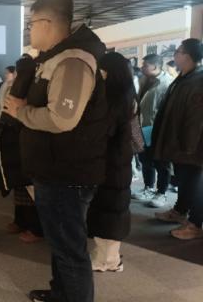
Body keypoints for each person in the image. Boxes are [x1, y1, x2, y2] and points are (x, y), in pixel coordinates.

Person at [3, 0, 109, 302]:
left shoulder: (73, 61)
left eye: (31, 24)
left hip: (67, 174)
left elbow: (62, 119)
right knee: (60, 242)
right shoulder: (54, 59)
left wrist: (21, 112)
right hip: (55, 169)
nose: (29, 30)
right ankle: (61, 293)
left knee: (70, 248)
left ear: (47, 23)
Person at [150, 38, 203, 239]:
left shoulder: (199, 80)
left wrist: (188, 146)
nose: (175, 55)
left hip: (191, 145)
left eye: (178, 52)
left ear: (188, 56)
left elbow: (196, 118)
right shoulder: (184, 78)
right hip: (180, 142)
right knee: (184, 180)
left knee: (194, 183)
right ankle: (180, 212)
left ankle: (195, 224)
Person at [87, 51, 135, 272]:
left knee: (109, 211)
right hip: (118, 161)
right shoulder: (127, 94)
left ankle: (109, 260)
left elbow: (103, 132)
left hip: (111, 161)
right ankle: (107, 256)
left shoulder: (113, 98)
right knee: (110, 209)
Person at [0, 54, 43, 242]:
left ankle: (35, 228)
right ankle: (21, 221)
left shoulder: (34, 87)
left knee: (30, 187)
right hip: (16, 140)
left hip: (28, 141)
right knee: (20, 185)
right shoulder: (18, 85)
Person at [134, 53, 173, 208]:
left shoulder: (166, 83)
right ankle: (148, 188)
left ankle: (161, 193)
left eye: (145, 65)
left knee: (161, 162)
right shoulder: (144, 80)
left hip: (158, 129)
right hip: (142, 127)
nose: (142, 68)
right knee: (145, 160)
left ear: (155, 66)